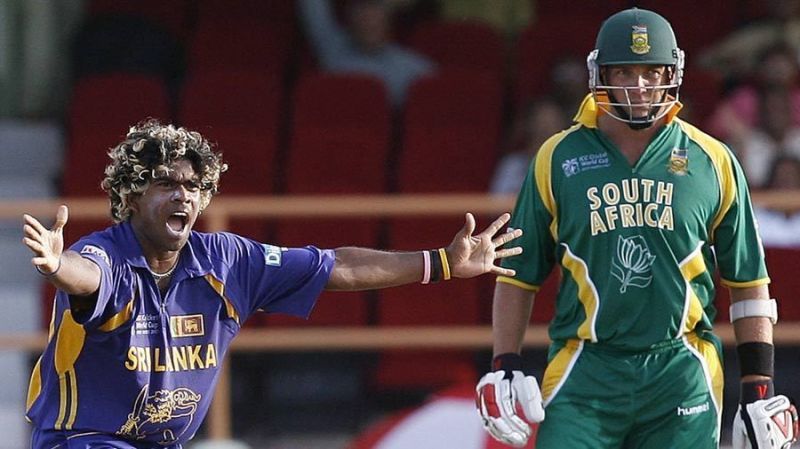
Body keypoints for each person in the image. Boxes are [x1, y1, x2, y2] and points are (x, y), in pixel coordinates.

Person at [22, 119, 522, 448]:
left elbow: (335, 267)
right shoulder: (104, 254)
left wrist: (440, 263)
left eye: (194, 187)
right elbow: (86, 277)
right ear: (130, 198)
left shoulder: (226, 259)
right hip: (82, 439)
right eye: (166, 184)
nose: (183, 196)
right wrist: (55, 263)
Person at [475, 8, 799, 449]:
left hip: (681, 368)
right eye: (624, 71)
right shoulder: (556, 158)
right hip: (585, 366)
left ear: (672, 73)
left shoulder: (714, 161)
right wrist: (504, 362)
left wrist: (759, 388)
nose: (639, 85)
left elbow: (749, 283)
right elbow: (519, 275)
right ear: (600, 75)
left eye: (651, 72)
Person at [298, 0, 436, 107]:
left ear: (387, 22)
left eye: (374, 16)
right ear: (351, 22)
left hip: (380, 138)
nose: (368, 21)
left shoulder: (415, 69)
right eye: (362, 16)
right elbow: (313, 8)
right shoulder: (333, 49)